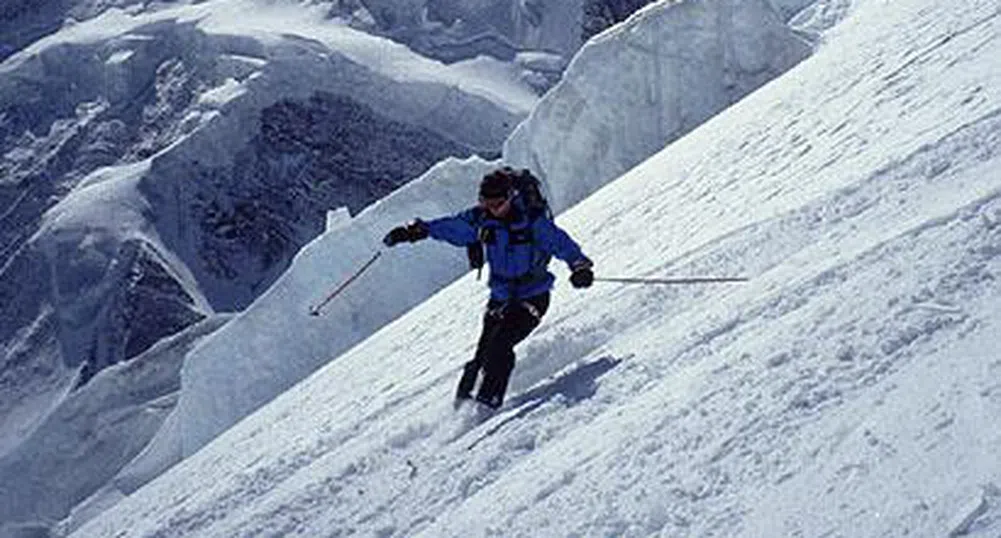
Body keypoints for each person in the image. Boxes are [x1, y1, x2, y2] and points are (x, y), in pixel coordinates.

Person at [382, 167, 594, 410]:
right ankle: (461, 407)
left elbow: (562, 244)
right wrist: (416, 231)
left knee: (500, 346)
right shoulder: (482, 219)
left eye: (498, 203)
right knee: (482, 355)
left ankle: (486, 407)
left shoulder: (533, 223)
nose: (492, 208)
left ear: (511, 197)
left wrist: (580, 267)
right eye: (486, 202)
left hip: (533, 297)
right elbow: (452, 228)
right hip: (500, 298)